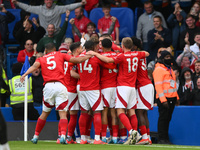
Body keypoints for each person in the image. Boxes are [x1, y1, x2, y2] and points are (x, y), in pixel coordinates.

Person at [20, 43, 92, 144]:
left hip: (48, 87)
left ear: (45, 51)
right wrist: (90, 55)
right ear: (55, 49)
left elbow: (35, 66)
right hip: (60, 86)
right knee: (63, 114)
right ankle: (62, 136)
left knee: (44, 114)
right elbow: (76, 60)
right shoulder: (60, 54)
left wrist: (24, 74)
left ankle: (35, 136)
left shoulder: (42, 58)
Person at [87, 37, 149, 145]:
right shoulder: (136, 54)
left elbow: (107, 60)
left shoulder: (122, 56)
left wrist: (95, 54)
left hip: (121, 86)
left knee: (119, 111)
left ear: (123, 46)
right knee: (131, 111)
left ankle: (131, 132)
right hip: (132, 87)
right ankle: (132, 137)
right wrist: (135, 52)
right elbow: (147, 53)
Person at [153, 50, 179, 144]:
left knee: (168, 119)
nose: (169, 58)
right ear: (162, 58)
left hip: (171, 97)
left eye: (169, 57)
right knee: (163, 118)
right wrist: (163, 100)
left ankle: (166, 138)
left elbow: (173, 85)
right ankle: (161, 138)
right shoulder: (159, 69)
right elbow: (158, 86)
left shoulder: (169, 69)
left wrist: (177, 97)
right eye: (166, 57)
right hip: (164, 99)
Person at [12, 0, 87, 33]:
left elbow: (70, 6)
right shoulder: (40, 9)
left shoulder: (58, 8)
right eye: (47, 0)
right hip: (44, 35)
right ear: (44, 1)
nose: (48, 1)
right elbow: (28, 7)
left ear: (52, 1)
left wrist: (80, 3)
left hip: (57, 34)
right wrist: (17, 3)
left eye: (50, 0)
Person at [99, 38, 118, 144]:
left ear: (102, 46)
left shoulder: (100, 57)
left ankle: (104, 137)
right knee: (114, 112)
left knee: (104, 113)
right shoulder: (116, 55)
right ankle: (114, 137)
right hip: (115, 86)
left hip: (105, 86)